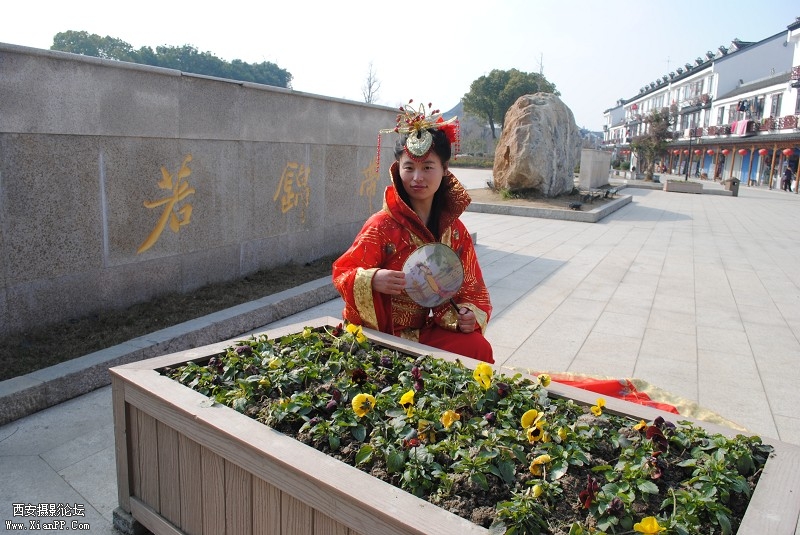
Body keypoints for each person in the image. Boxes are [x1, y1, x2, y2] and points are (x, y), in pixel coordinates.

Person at [332, 102, 493, 363]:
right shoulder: (381, 225)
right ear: (398, 169)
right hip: (380, 334)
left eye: (427, 167)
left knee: (478, 348)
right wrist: (372, 279)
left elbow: (472, 289)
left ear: (445, 170)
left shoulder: (455, 232)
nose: (417, 177)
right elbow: (343, 272)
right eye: (409, 167)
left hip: (422, 332)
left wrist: (468, 314)